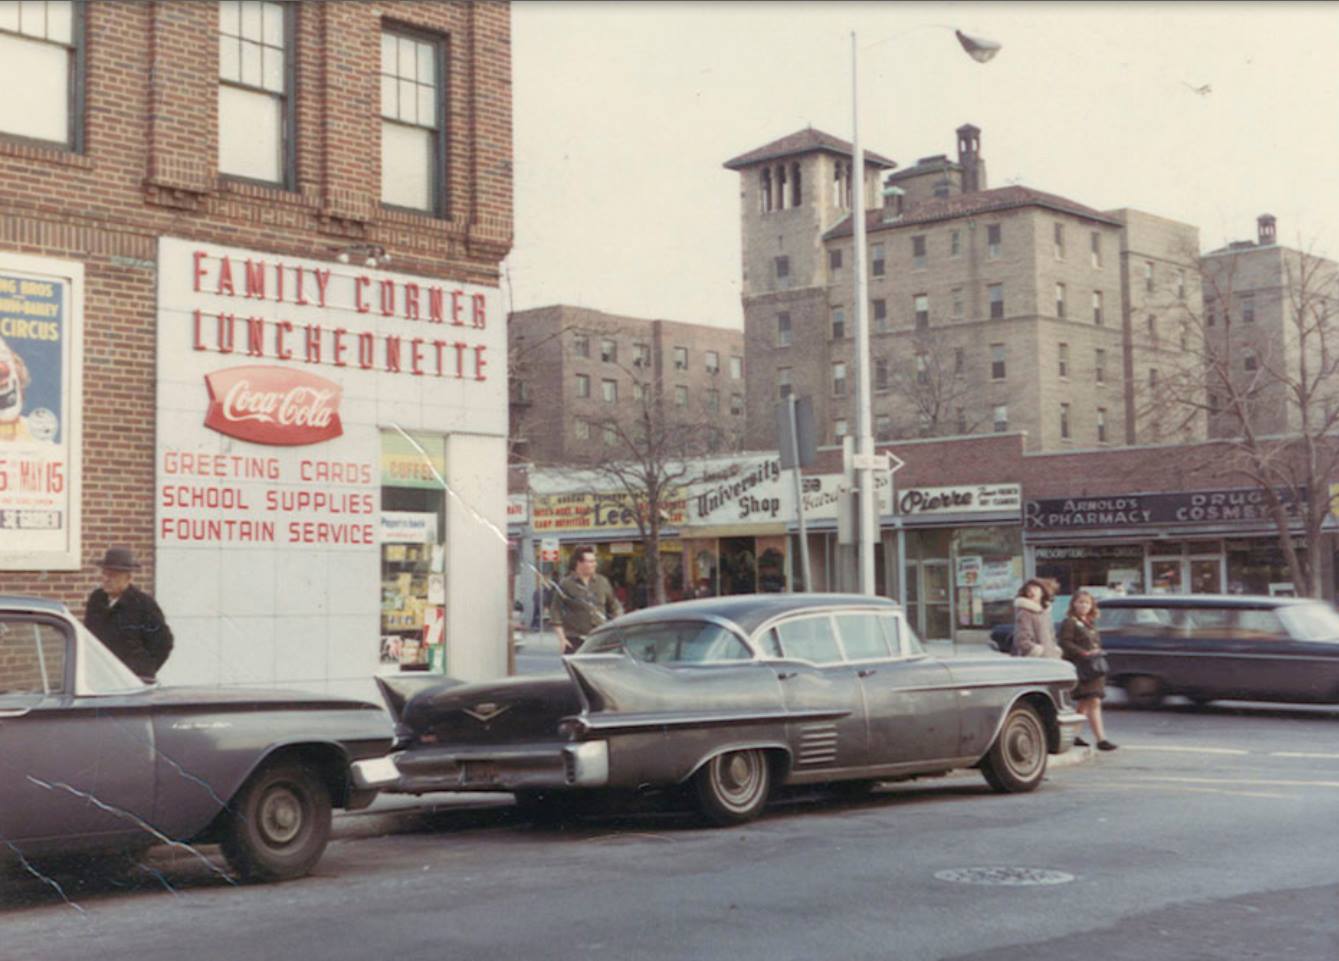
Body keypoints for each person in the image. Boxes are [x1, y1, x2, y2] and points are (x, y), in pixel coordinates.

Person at [83, 546, 174, 680]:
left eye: (112, 575)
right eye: (104, 573)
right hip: (100, 677)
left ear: (128, 578)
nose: (106, 579)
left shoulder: (144, 605)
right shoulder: (96, 600)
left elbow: (164, 643)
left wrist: (144, 671)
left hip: (131, 681)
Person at [1059, 590, 1117, 751]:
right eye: (1080, 602)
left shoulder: (1090, 622)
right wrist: (1082, 652)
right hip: (1082, 667)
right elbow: (1065, 643)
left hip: (1094, 667)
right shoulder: (1069, 622)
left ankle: (1074, 735)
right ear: (1073, 604)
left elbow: (1095, 642)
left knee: (1084, 703)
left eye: (1087, 603)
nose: (1083, 605)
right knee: (1094, 701)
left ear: (1091, 606)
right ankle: (1101, 739)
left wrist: (1096, 650)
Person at [549, 545, 623, 654]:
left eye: (595, 561)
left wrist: (615, 628)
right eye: (591, 562)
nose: (595, 564)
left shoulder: (602, 582)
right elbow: (556, 612)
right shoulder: (566, 584)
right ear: (579, 563)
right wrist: (562, 639)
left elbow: (614, 606)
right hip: (575, 640)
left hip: (599, 639)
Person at [1012, 578, 1060, 658]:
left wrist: (1055, 650)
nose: (1031, 592)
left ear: (1042, 592)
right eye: (1028, 590)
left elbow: (1052, 637)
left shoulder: (1045, 613)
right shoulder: (1025, 613)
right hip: (1035, 662)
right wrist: (1035, 651)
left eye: (1035, 588)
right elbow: (1022, 639)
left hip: (1050, 659)